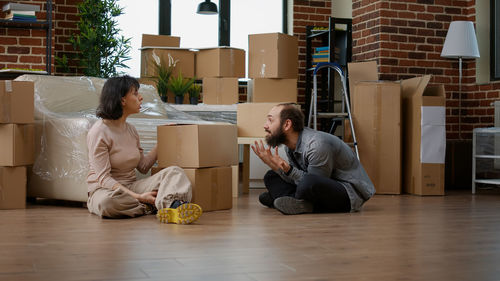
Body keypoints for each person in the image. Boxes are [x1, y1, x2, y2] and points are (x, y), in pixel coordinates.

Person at [86, 75, 202, 224]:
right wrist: (139, 197)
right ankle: (155, 205)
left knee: (175, 172)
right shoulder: (99, 132)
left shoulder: (131, 130)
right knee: (106, 204)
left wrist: (163, 140)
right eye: (135, 93)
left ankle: (173, 207)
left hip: (132, 186)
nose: (140, 98)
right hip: (105, 190)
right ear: (122, 100)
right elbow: (104, 179)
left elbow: (143, 167)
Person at [251, 103, 375, 215]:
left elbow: (313, 183)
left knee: (308, 182)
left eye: (270, 120)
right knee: (271, 176)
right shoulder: (290, 146)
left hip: (348, 193)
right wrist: (274, 166)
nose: (265, 125)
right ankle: (292, 202)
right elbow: (298, 179)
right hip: (314, 184)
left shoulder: (316, 145)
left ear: (287, 124)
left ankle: (294, 201)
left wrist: (289, 170)